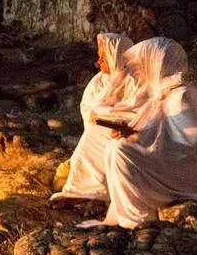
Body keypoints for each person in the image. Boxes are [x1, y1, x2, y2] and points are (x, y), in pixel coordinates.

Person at [85, 37, 197, 229]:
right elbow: (162, 128)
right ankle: (129, 212)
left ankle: (137, 218)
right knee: (115, 147)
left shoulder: (183, 95)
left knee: (121, 151)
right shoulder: (167, 93)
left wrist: (140, 136)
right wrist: (133, 132)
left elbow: (194, 140)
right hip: (187, 160)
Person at [49, 32, 134, 206]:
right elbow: (89, 110)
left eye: (104, 56)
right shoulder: (98, 82)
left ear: (117, 57)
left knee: (103, 140)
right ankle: (82, 187)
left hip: (123, 132)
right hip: (98, 130)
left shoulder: (133, 81)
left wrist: (120, 121)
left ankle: (89, 191)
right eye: (99, 56)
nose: (99, 61)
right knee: (93, 137)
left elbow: (138, 111)